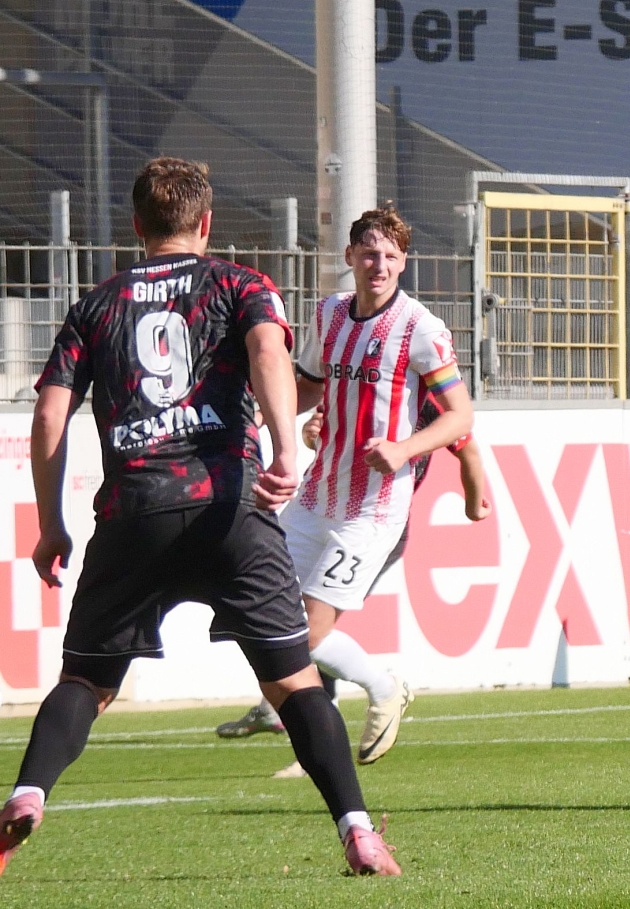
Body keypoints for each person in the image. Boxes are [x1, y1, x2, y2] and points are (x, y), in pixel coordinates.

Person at [0, 158, 399, 877]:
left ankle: (28, 793)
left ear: (137, 224)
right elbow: (268, 350)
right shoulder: (240, 284)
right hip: (230, 508)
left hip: (134, 511)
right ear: (206, 223)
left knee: (85, 683)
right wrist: (285, 449)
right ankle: (358, 830)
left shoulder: (96, 305)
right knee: (294, 683)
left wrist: (51, 523)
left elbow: (51, 413)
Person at [266, 207, 476, 768]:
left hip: (373, 508)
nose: (378, 265)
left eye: (389, 256)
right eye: (368, 253)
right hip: (316, 494)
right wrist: (276, 416)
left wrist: (404, 450)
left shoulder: (421, 329)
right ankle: (310, 731)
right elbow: (310, 385)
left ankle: (383, 686)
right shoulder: (329, 313)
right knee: (265, 616)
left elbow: (460, 416)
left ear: (403, 262)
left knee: (308, 634)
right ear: (350, 257)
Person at [218, 389, 491, 765]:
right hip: (321, 511)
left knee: (310, 632)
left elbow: (467, 447)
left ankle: (341, 719)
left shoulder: (427, 396)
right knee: (274, 616)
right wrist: (313, 434)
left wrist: (474, 503)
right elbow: (327, 439)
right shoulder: (350, 377)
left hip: (372, 523)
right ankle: (285, 713)